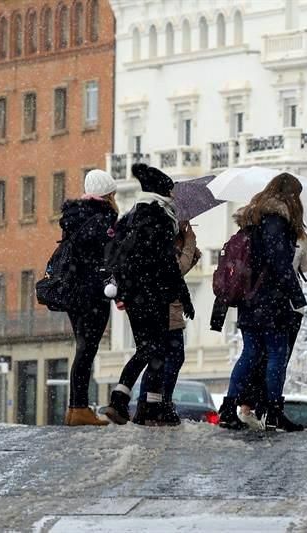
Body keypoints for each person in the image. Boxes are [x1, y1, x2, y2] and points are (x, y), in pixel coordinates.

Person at [104, 164, 194, 425]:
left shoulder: (133, 215)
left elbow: (113, 252)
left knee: (150, 350)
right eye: (170, 190)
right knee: (154, 349)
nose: (173, 195)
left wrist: (122, 286)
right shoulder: (160, 216)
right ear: (162, 191)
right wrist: (184, 294)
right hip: (152, 294)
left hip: (134, 294)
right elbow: (166, 261)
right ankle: (129, 403)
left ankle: (136, 403)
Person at [217, 173, 307, 432]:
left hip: (249, 298)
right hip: (270, 301)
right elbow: (279, 263)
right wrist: (295, 295)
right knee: (277, 353)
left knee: (251, 352)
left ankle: (228, 408)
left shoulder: (253, 218)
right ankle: (274, 411)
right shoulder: (276, 222)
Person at [60, 170, 119, 426]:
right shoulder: (104, 219)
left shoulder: (74, 216)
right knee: (87, 348)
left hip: (73, 291)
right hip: (94, 292)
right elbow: (110, 254)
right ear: (107, 194)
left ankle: (75, 408)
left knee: (82, 346)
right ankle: (80, 407)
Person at [134, 222, 201, 426]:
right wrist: (189, 245)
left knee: (167, 358)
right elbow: (175, 271)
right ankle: (154, 403)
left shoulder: (171, 237)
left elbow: (177, 275)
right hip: (163, 306)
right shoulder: (163, 236)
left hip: (171, 305)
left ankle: (155, 403)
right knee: (164, 357)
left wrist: (191, 251)